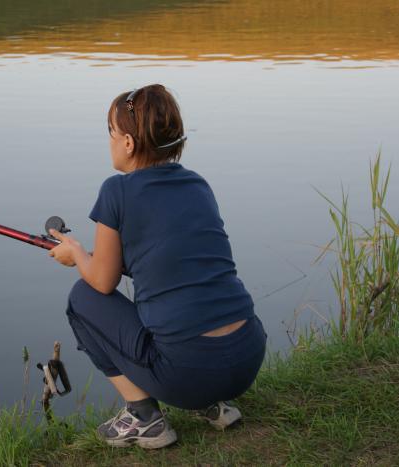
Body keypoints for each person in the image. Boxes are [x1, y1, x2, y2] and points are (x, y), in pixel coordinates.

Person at [48, 84, 266, 449]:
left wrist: (75, 255)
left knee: (81, 299)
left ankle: (145, 419)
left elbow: (102, 281)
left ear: (129, 143)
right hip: (247, 358)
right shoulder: (198, 186)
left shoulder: (116, 191)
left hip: (190, 372)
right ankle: (213, 405)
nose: (111, 141)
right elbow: (176, 260)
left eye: (111, 133)